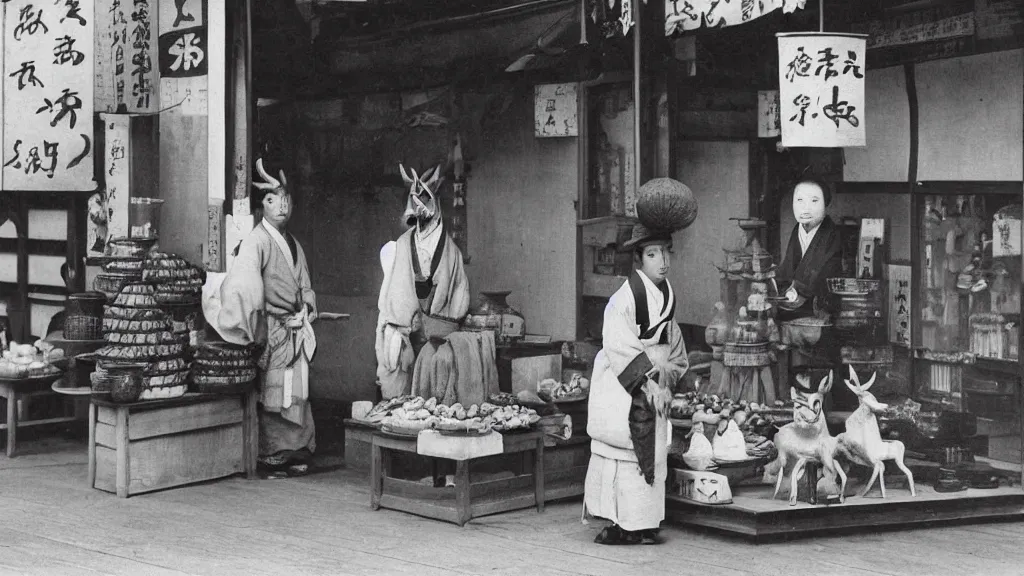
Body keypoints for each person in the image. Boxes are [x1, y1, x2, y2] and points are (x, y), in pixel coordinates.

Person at [211, 158, 318, 478]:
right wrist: (250, 326)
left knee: (297, 393)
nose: (282, 205)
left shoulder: (293, 243)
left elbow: (305, 285)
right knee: (275, 394)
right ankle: (273, 452)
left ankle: (298, 449)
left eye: (286, 199)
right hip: (272, 329)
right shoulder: (257, 240)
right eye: (273, 199)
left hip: (295, 327)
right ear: (262, 206)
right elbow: (244, 286)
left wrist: (308, 308)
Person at [583, 223, 689, 545]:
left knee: (653, 450)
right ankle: (620, 523)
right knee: (623, 448)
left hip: (655, 372)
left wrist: (669, 373)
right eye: (653, 254)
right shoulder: (624, 298)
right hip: (623, 378)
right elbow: (617, 343)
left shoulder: (666, 293)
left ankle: (645, 522)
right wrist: (649, 383)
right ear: (639, 259)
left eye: (666, 252)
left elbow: (671, 337)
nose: (662, 261)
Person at [776, 178, 843, 321]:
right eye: (799, 200)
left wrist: (796, 286)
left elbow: (824, 274)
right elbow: (788, 266)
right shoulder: (798, 229)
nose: (805, 208)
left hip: (819, 307)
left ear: (825, 203)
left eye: (814, 201)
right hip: (795, 302)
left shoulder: (832, 233)